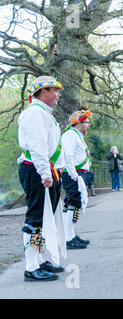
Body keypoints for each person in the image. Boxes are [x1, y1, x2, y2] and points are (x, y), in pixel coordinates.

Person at [17, 75, 65, 281]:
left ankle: (37, 260)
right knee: (36, 217)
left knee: (45, 216)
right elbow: (38, 146)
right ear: (43, 91)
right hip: (36, 169)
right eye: (55, 90)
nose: (58, 94)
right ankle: (30, 266)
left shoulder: (43, 113)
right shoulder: (36, 113)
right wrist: (45, 173)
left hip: (44, 169)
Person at [61, 110, 93, 250]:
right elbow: (68, 156)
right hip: (73, 173)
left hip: (78, 173)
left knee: (73, 203)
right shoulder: (70, 136)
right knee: (73, 203)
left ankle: (70, 235)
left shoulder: (77, 136)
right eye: (87, 122)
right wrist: (74, 175)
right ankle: (68, 238)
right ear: (80, 123)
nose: (89, 125)